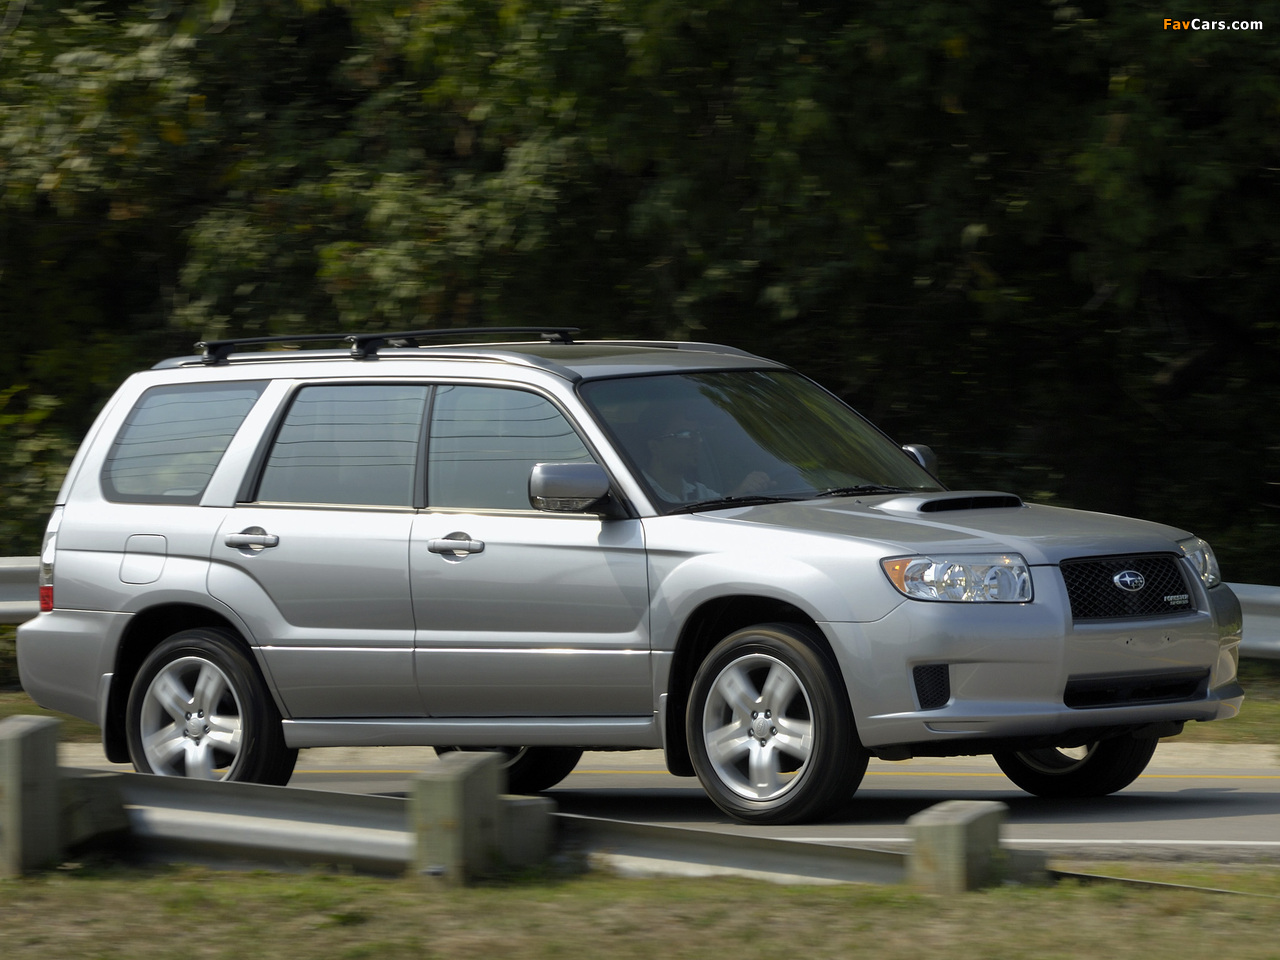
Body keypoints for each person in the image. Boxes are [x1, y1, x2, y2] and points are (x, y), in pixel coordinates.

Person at [643, 413, 772, 504]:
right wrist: (739, 491)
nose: (696, 442)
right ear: (655, 447)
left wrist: (747, 489)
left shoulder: (699, 491)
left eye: (697, 434)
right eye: (684, 435)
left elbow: (719, 511)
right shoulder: (638, 495)